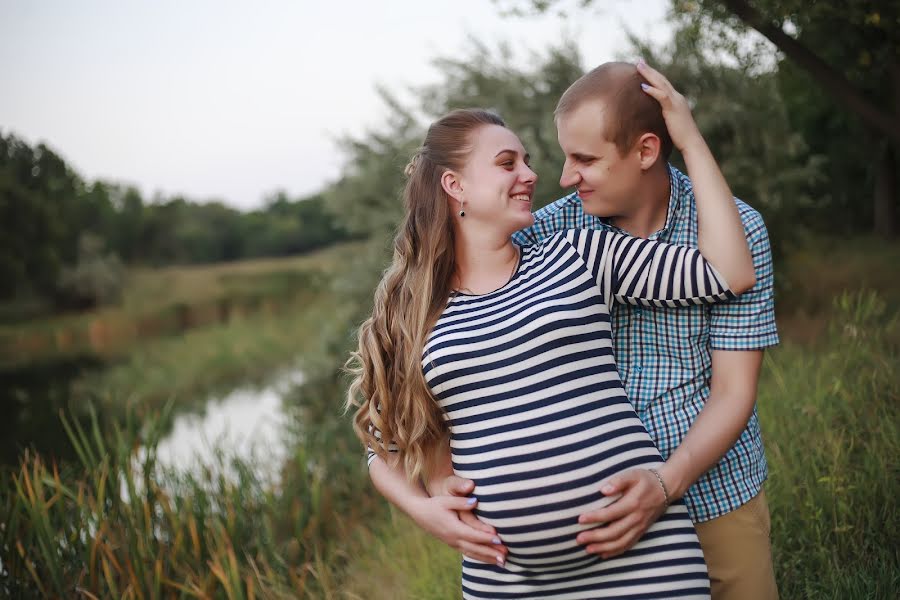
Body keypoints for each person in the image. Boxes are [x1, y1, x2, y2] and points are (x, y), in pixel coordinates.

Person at [349, 63, 757, 599]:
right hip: (512, 583)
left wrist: (689, 139)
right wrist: (425, 510)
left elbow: (728, 274)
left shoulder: (576, 252)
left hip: (647, 560)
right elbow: (382, 446)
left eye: (526, 160)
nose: (532, 175)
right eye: (506, 163)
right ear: (455, 186)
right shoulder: (414, 308)